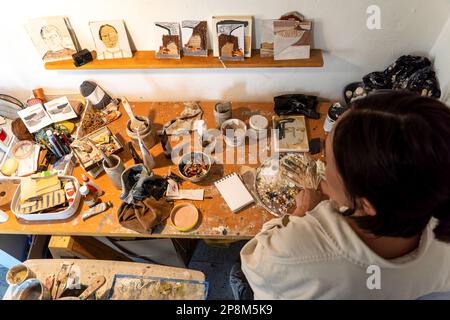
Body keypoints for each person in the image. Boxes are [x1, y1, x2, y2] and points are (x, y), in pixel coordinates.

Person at [239, 90, 450, 299]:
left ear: (366, 204)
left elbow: (254, 264)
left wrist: (301, 212)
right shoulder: (440, 232)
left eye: (329, 163)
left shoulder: (293, 249)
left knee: (236, 276)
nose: (322, 167)